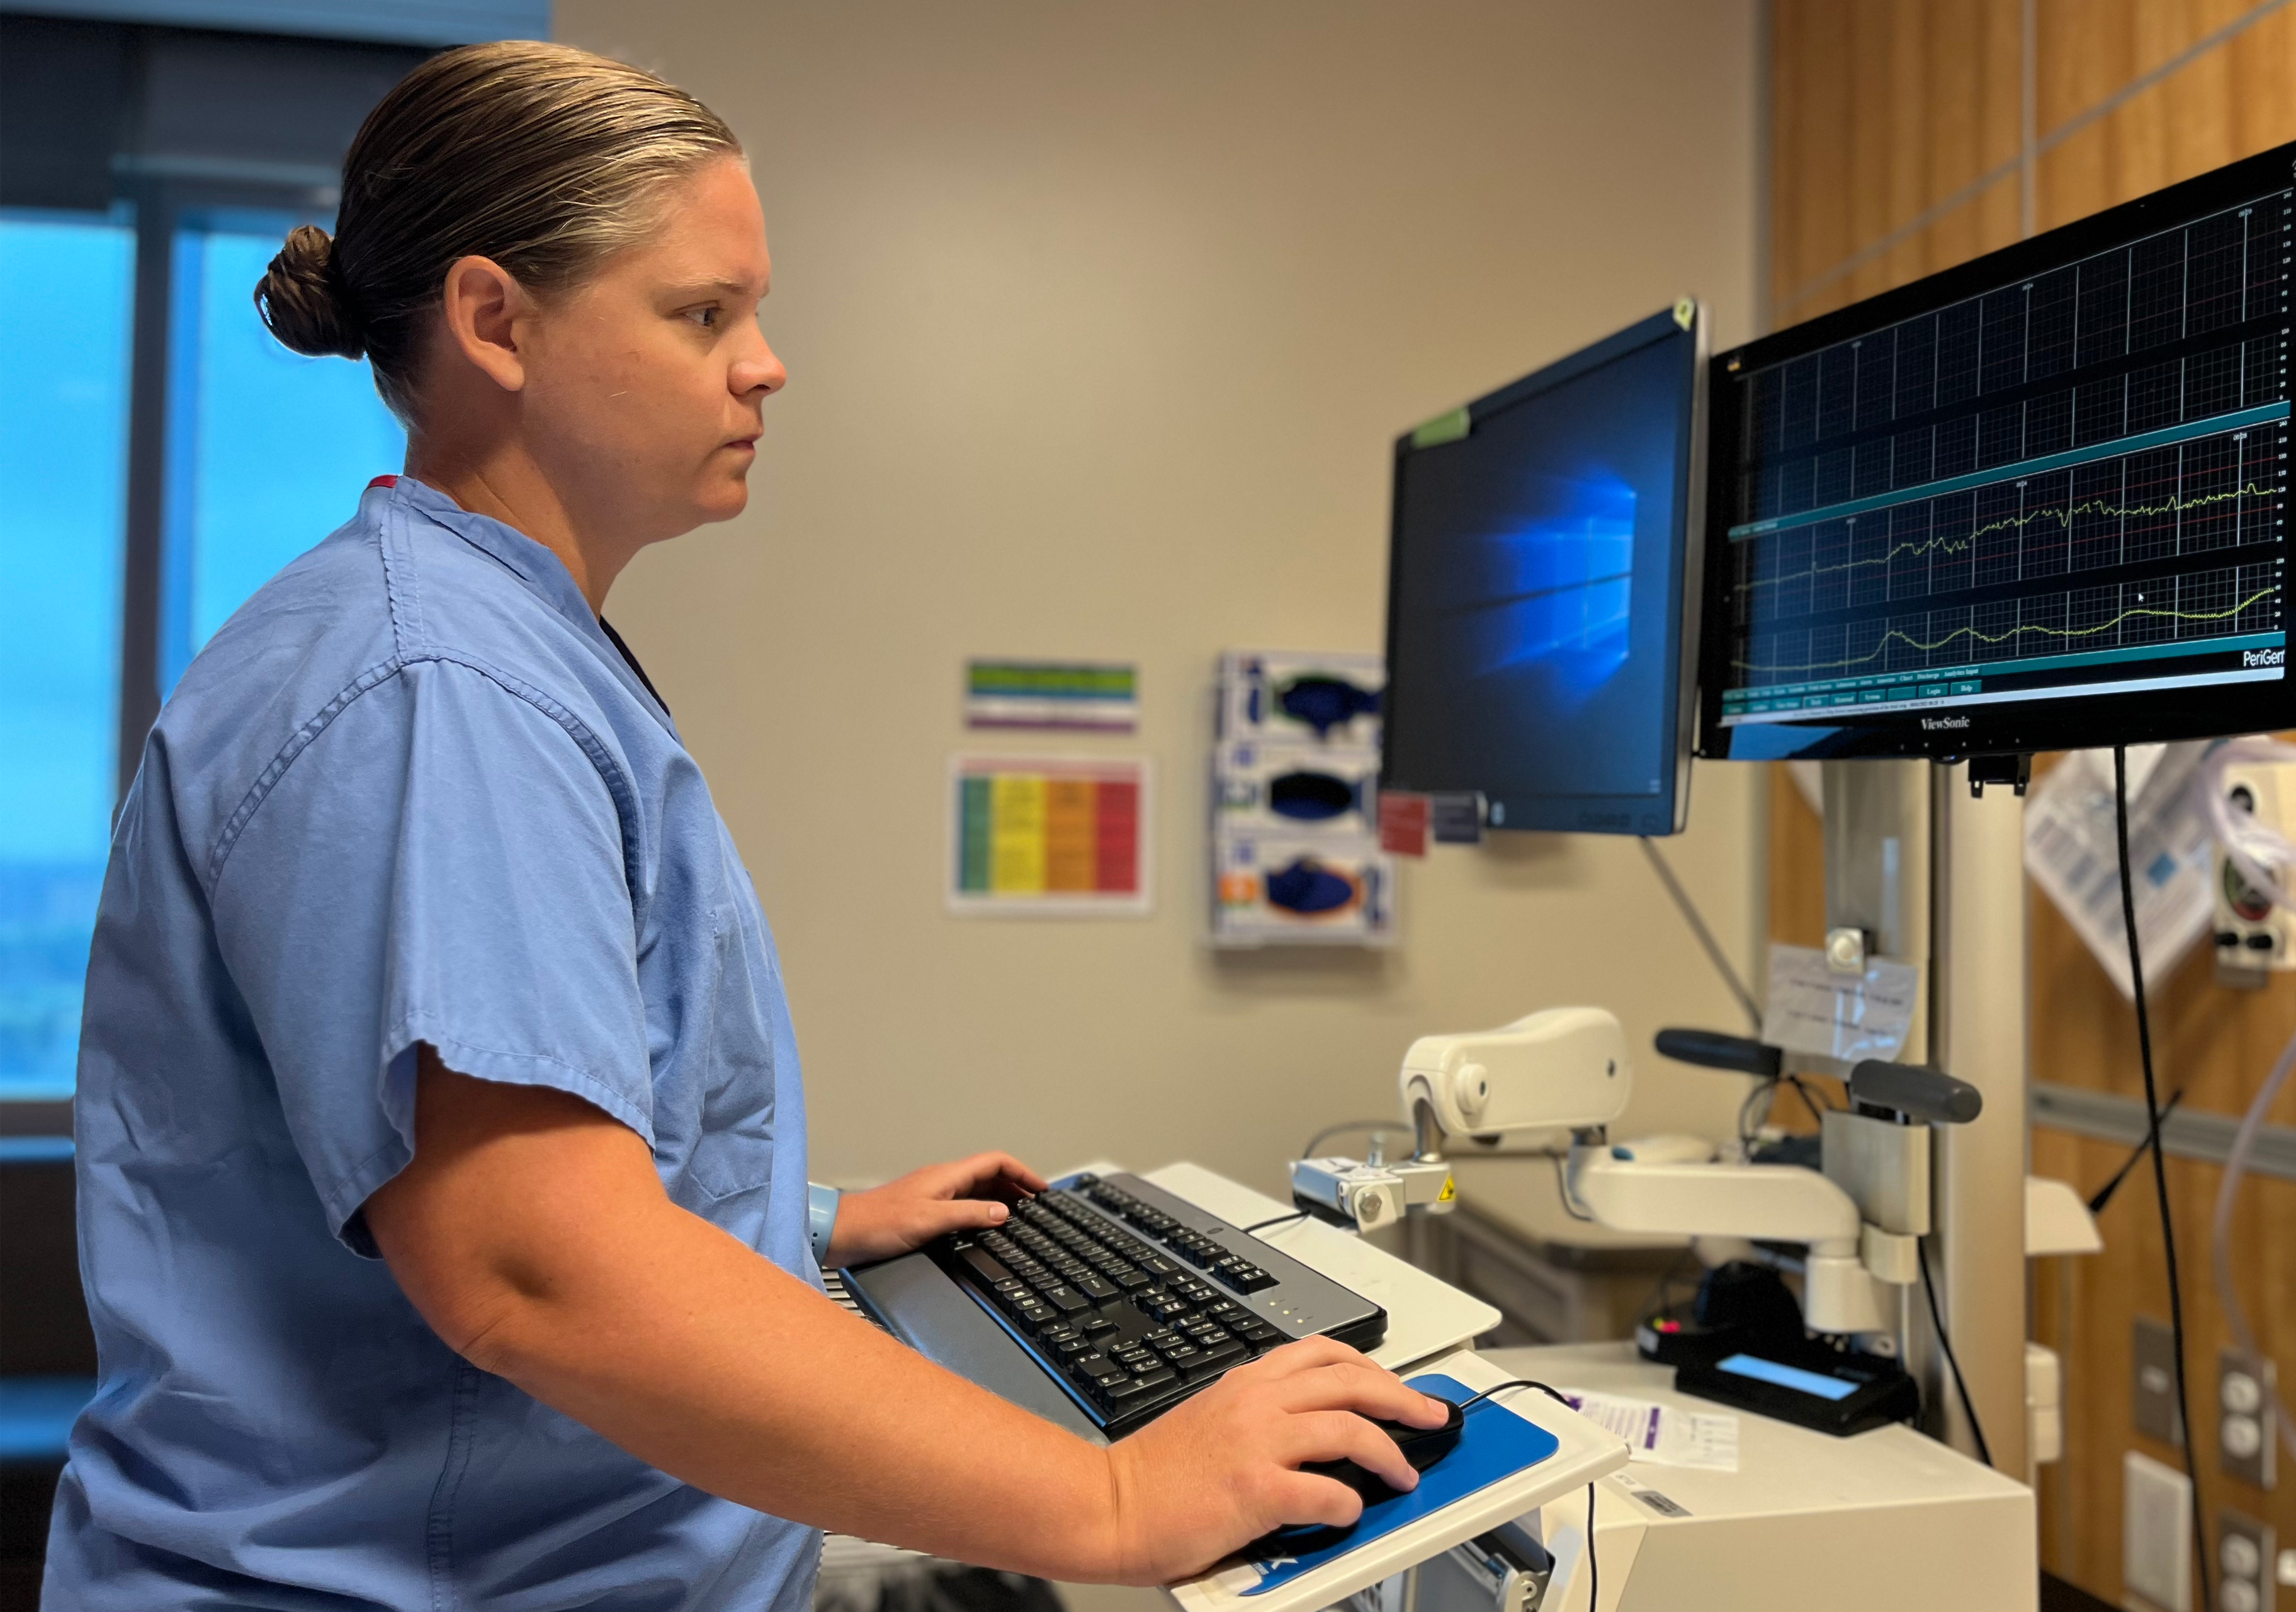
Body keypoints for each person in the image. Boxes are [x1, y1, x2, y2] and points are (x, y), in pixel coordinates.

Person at [45, 40, 1444, 1611]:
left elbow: (489, 1145)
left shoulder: (479, 640)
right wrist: (1116, 1496)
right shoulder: (436, 685)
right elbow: (535, 1268)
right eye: (703, 314)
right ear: (496, 320)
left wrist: (814, 1216)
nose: (765, 362)